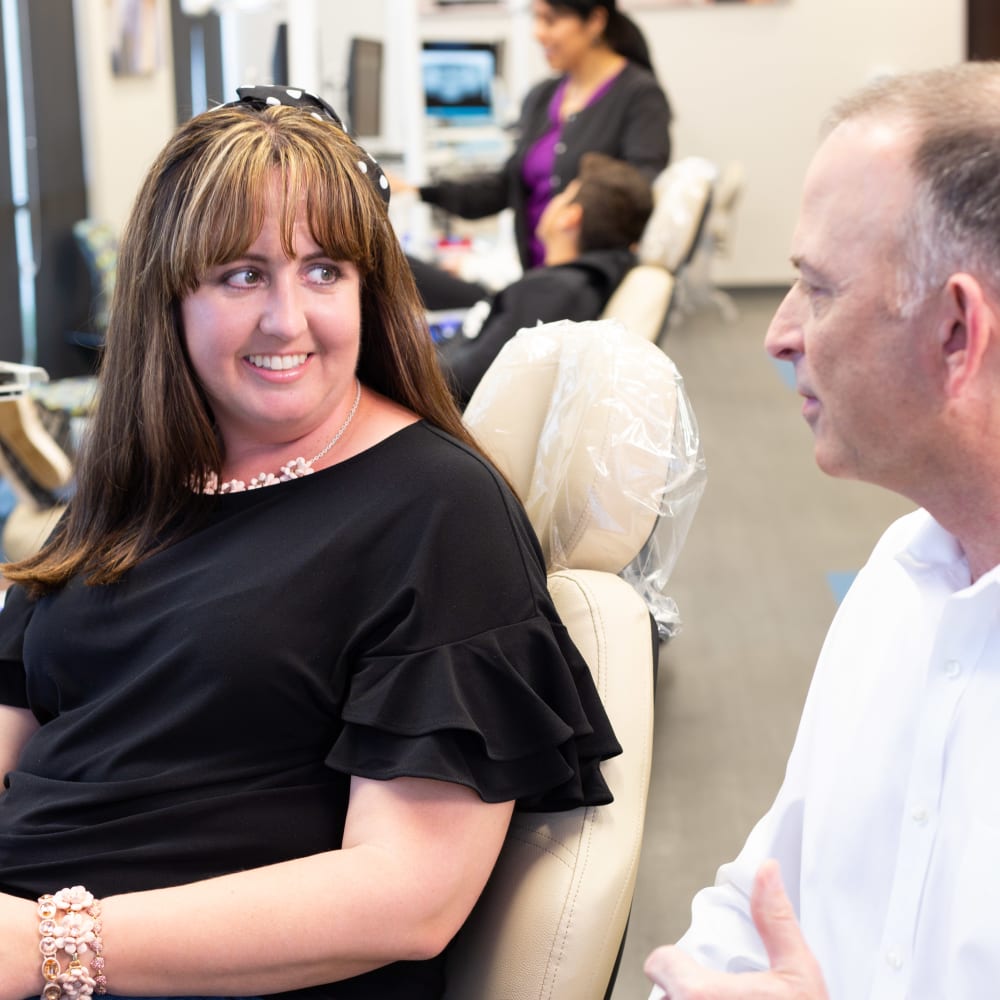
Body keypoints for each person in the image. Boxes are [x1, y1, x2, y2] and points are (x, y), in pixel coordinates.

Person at [0, 85, 622, 1000]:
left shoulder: (439, 511)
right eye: (242, 275)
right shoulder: (138, 478)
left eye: (325, 271)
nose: (288, 320)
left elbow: (404, 899)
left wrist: (46, 948)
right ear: (167, 298)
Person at [643, 61, 1000, 1000]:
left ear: (958, 333)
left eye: (820, 289)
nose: (780, 333)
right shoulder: (902, 576)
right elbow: (770, 893)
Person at [402, 0, 672, 309]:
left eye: (550, 21)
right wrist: (420, 191)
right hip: (539, 282)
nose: (538, 33)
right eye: (536, 19)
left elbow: (638, 194)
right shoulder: (541, 97)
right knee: (405, 274)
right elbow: (503, 188)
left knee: (411, 285)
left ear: (596, 20)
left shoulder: (640, 96)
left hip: (584, 289)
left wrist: (568, 221)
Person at [436, 151, 653, 406]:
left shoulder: (550, 292)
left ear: (569, 217)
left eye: (562, 197)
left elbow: (460, 381)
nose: (552, 203)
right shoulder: (576, 283)